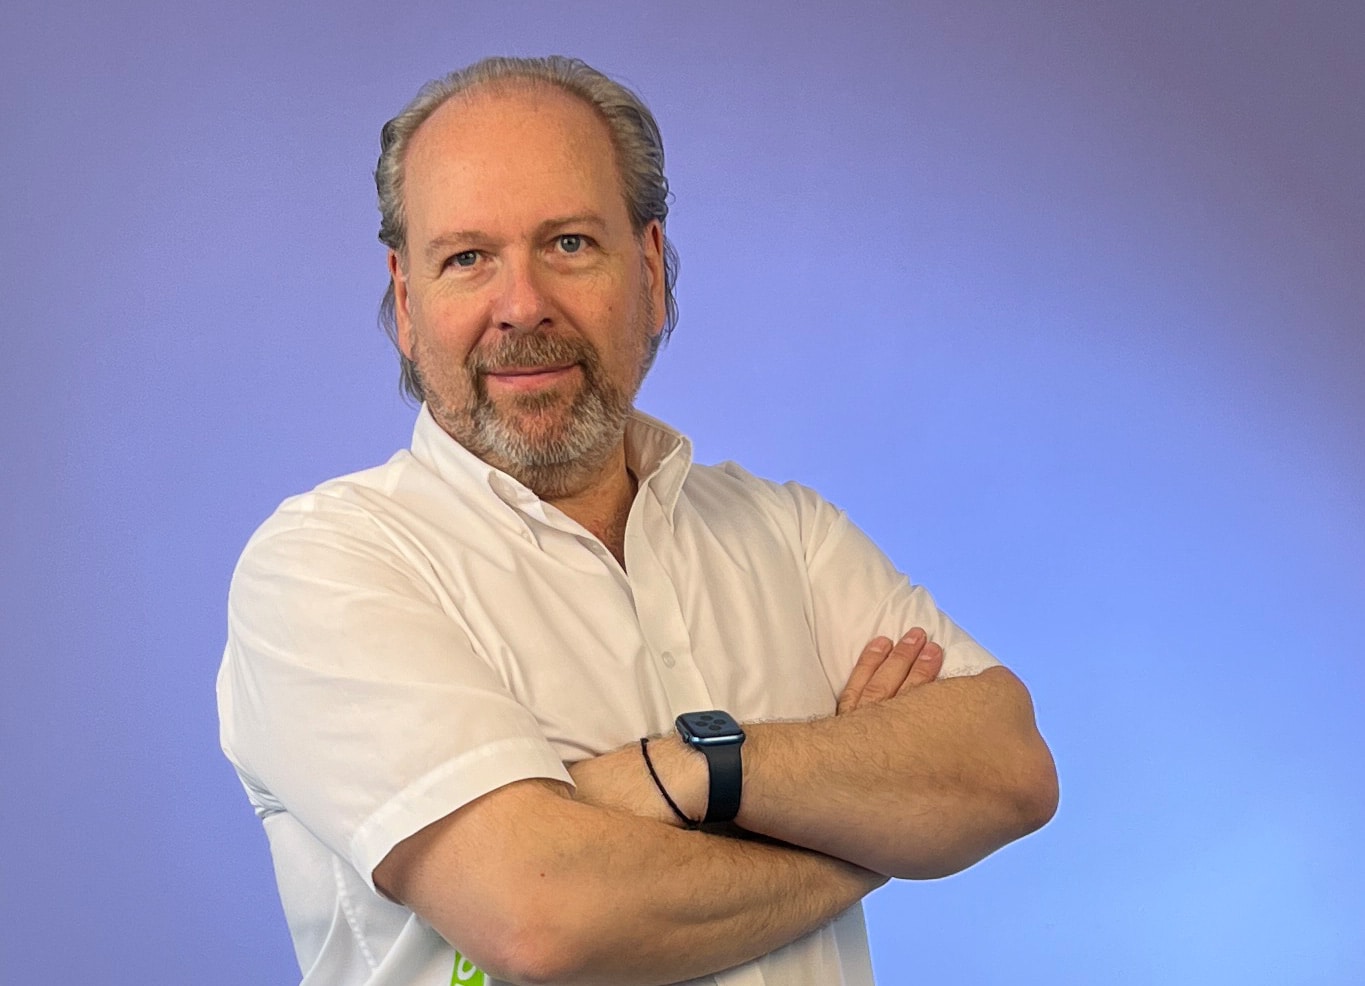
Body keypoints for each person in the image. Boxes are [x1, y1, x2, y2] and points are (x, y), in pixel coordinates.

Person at [217, 55, 1058, 986]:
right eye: (466, 258)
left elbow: (1008, 772)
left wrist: (690, 769)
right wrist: (868, 830)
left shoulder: (786, 534)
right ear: (408, 303)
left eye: (569, 243)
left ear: (650, 270)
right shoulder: (328, 566)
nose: (521, 306)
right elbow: (544, 922)